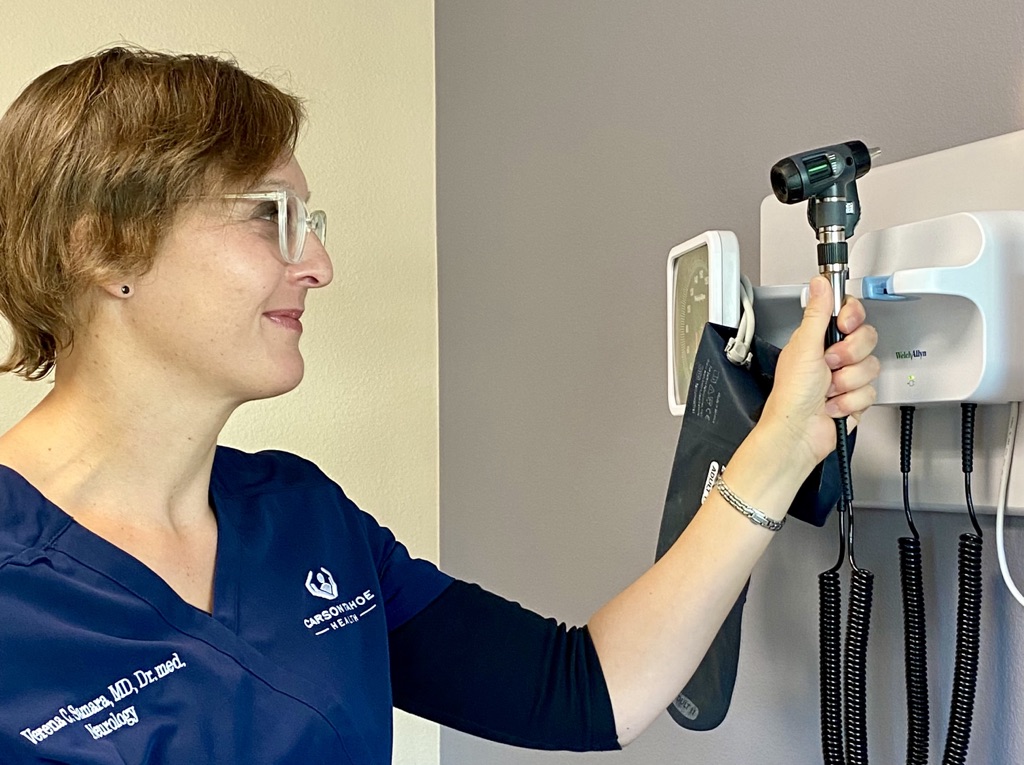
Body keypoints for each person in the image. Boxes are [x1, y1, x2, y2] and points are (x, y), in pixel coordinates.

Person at [0, 47, 879, 763]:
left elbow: (582, 688)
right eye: (272, 217)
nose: (318, 266)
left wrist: (784, 441)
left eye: (313, 225)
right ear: (103, 245)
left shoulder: (301, 517)